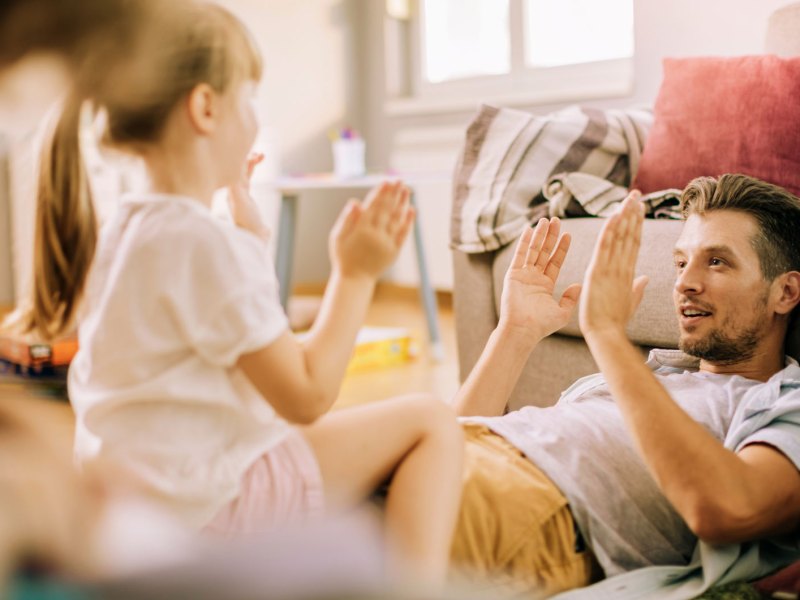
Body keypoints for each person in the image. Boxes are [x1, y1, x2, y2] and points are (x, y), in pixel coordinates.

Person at [18, 1, 463, 590]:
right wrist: (353, 276)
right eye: (250, 98)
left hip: (142, 500)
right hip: (208, 509)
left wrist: (249, 234)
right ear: (205, 107)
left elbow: (243, 340)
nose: (255, 116)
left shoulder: (128, 228)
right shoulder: (200, 243)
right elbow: (305, 395)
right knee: (431, 421)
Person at [449, 174, 800, 598]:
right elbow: (456, 434)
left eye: (717, 261)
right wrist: (515, 333)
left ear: (786, 292)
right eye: (680, 262)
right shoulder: (638, 379)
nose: (684, 282)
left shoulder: (782, 402)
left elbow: (731, 508)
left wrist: (607, 334)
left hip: (533, 504)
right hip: (463, 457)